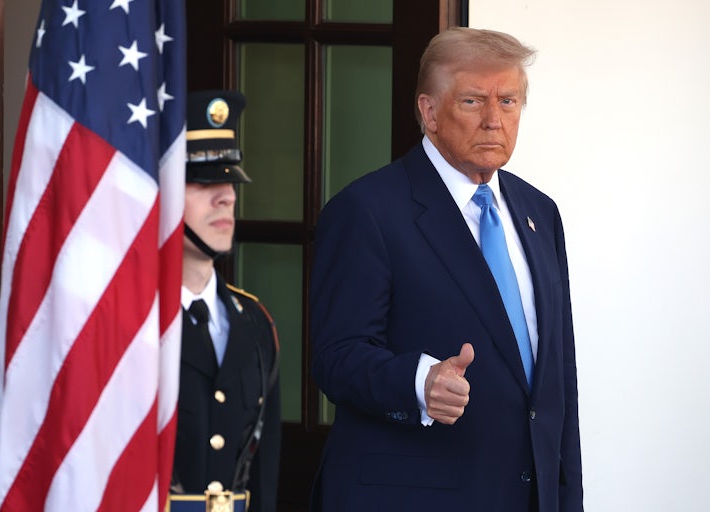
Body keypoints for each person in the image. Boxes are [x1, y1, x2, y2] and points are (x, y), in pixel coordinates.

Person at [309, 28, 583, 511]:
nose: (494, 121)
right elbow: (336, 358)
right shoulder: (367, 210)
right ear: (429, 112)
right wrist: (419, 381)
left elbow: (557, 381)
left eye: (509, 101)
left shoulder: (541, 213)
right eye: (474, 102)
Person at [171, 90, 281, 512]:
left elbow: (263, 473)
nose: (227, 196)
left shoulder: (254, 321)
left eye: (230, 181)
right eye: (202, 182)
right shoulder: (128, 317)